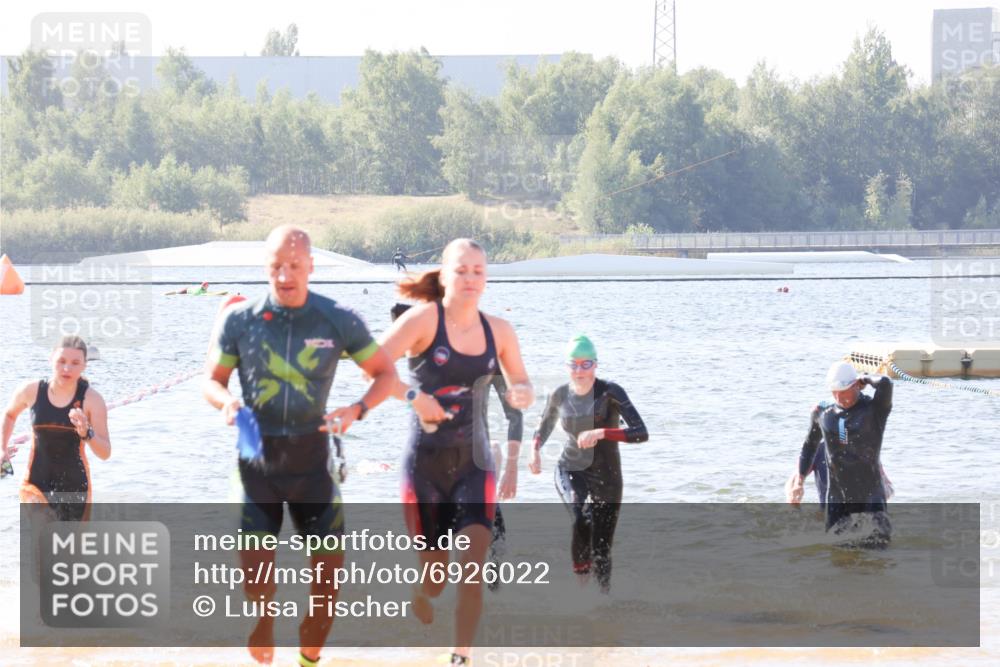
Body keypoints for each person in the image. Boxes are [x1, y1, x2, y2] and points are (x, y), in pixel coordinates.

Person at [203, 225, 397, 666]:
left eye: (294, 265)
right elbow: (211, 381)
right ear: (265, 268)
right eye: (276, 267)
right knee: (256, 582)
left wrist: (357, 409)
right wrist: (227, 401)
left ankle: (308, 660)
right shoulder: (240, 319)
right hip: (257, 465)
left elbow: (385, 375)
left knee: (328, 589)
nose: (285, 275)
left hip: (313, 466)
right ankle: (265, 616)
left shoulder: (337, 318)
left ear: (311, 265)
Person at [378, 239, 533, 666]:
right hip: (424, 468)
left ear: (486, 278)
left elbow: (521, 381)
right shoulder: (422, 320)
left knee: (472, 570)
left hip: (474, 466)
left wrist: (522, 394)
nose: (470, 279)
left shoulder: (499, 331)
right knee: (435, 580)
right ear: (444, 275)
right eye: (461, 270)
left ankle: (460, 657)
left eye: (478, 271)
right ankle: (420, 591)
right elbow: (374, 366)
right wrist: (413, 396)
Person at [390, 301, 523, 592]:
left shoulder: (487, 359)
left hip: (474, 462)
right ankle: (430, 600)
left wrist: (512, 467)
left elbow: (514, 413)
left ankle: (495, 602)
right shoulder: (423, 364)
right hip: (430, 465)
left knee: (495, 536)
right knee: (437, 564)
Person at [528, 334, 648, 594]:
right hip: (571, 468)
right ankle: (581, 592)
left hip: (608, 474)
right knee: (582, 517)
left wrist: (602, 432)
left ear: (595, 365)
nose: (580, 370)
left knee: (603, 549)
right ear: (567, 366)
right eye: (574, 364)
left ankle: (602, 601)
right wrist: (534, 449)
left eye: (586, 364)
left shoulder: (610, 392)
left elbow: (640, 432)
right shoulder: (560, 394)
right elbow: (544, 423)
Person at [1, 335, 111, 521]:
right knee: (45, 527)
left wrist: (87, 433)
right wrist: (2, 448)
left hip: (75, 486)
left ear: (85, 365)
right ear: (51, 359)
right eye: (61, 361)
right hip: (35, 481)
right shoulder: (30, 390)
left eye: (75, 362)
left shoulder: (92, 400)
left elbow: (105, 452)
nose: (67, 368)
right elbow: (9, 414)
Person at [788, 361, 893, 541]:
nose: (839, 397)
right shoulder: (822, 411)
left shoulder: (874, 409)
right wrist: (800, 480)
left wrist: (864, 378)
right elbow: (809, 445)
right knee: (838, 557)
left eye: (843, 392)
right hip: (837, 497)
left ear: (855, 386)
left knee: (877, 557)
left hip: (870, 496)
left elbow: (886, 383)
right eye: (834, 392)